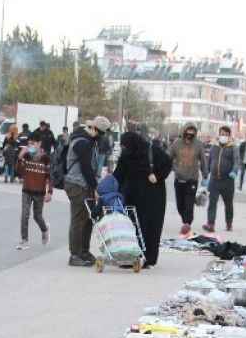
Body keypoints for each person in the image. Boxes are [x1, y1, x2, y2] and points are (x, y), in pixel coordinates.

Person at [113, 129, 172, 268]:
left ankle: (147, 257)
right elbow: (118, 174)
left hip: (153, 197)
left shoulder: (153, 151)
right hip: (132, 197)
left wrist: (157, 176)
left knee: (150, 227)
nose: (125, 149)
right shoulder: (126, 155)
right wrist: (107, 188)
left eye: (126, 146)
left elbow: (167, 164)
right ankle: (130, 256)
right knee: (131, 226)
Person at [63, 115, 111, 268]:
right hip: (77, 184)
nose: (102, 137)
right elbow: (85, 168)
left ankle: (84, 251)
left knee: (89, 218)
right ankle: (75, 254)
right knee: (78, 219)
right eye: (101, 133)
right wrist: (96, 187)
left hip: (84, 185)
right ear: (94, 129)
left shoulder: (89, 141)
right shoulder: (82, 142)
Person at [15, 142, 52, 249]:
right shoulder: (26, 157)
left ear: (40, 145)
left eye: (34, 144)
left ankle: (44, 229)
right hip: (26, 190)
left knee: (37, 216)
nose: (32, 146)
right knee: (24, 215)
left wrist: (49, 192)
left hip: (39, 192)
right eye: (30, 144)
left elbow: (50, 177)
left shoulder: (46, 159)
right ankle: (24, 240)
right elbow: (19, 171)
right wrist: (20, 157)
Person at [170, 123, 204, 236]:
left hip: (192, 179)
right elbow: (169, 158)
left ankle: (187, 223)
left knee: (189, 204)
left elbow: (203, 160)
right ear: (184, 131)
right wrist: (174, 168)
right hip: (179, 179)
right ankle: (185, 221)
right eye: (188, 131)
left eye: (192, 131)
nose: (190, 133)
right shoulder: (176, 143)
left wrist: (205, 175)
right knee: (180, 205)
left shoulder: (198, 144)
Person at [203, 126, 236, 233]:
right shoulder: (214, 147)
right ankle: (210, 224)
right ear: (219, 134)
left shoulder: (233, 148)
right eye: (222, 134)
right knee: (212, 202)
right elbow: (209, 160)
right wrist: (206, 174)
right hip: (214, 180)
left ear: (229, 136)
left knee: (228, 203)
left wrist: (234, 171)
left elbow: (237, 162)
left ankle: (229, 223)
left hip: (227, 180)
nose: (223, 136)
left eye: (226, 134)